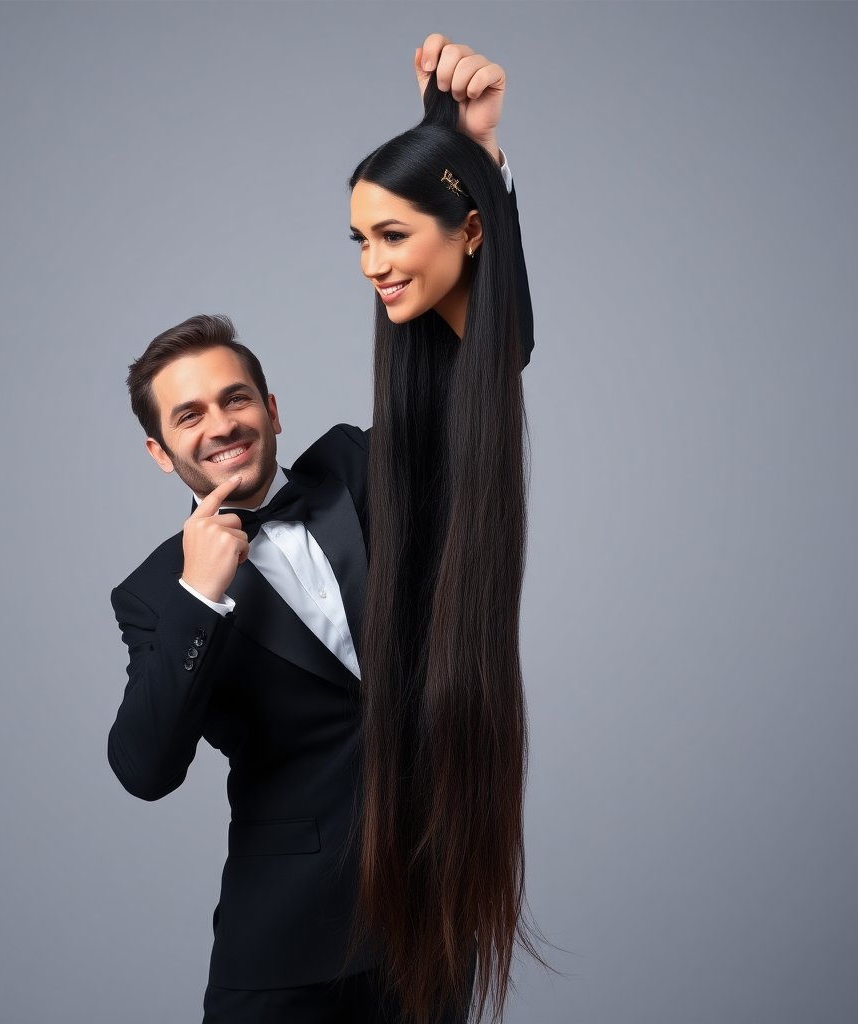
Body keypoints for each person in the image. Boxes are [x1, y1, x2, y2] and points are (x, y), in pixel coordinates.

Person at [107, 35, 533, 1024]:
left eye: (235, 397)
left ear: (274, 406)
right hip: (285, 949)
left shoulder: (355, 469)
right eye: (188, 416)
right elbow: (145, 766)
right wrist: (197, 596)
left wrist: (473, 168)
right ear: (158, 451)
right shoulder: (152, 594)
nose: (220, 426)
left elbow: (485, 363)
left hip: (429, 926)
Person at [347, 60, 535, 1024]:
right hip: (384, 823)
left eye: (391, 234)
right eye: (358, 240)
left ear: (468, 232)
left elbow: (507, 337)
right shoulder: (404, 401)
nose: (372, 262)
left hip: (449, 801)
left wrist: (481, 156)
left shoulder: (479, 383)